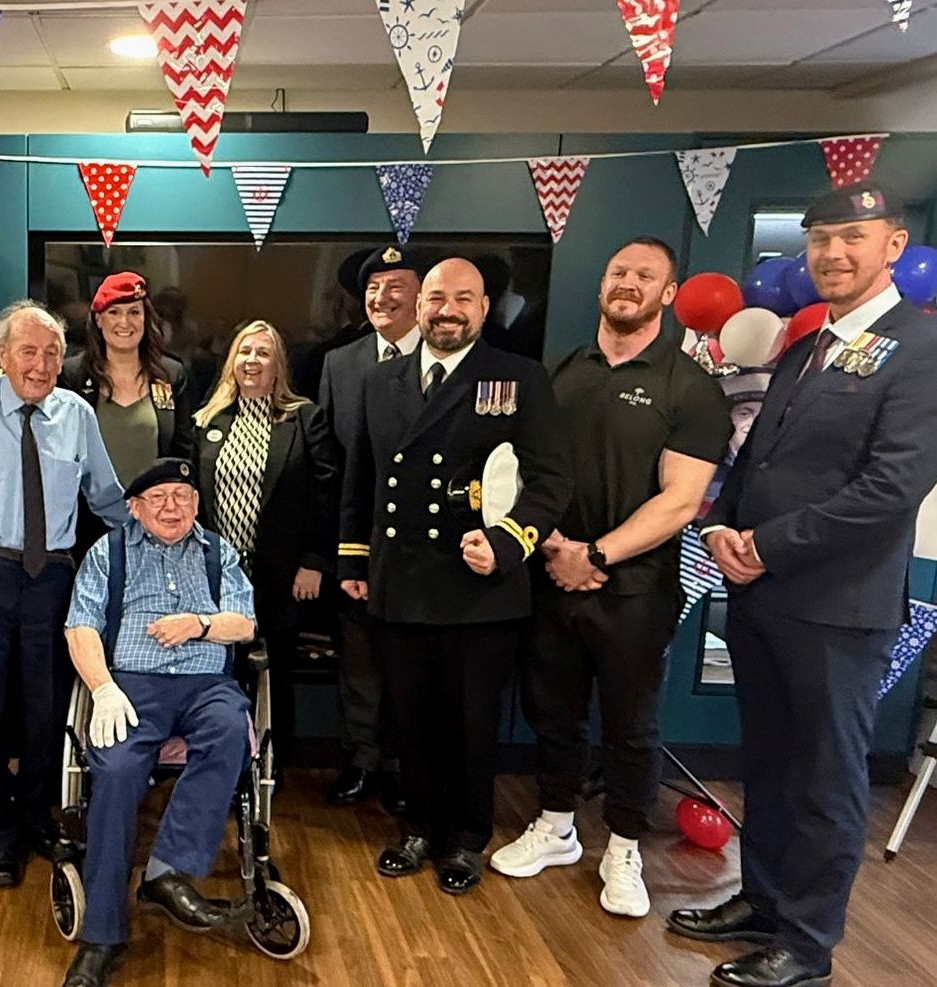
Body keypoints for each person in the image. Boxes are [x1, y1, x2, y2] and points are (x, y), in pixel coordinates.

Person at [668, 183, 937, 987]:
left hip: (836, 609)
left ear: (893, 246)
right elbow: (756, 457)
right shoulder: (805, 345)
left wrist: (768, 544)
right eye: (821, 238)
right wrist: (722, 524)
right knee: (772, 764)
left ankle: (809, 943)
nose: (833, 253)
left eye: (854, 236)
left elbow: (892, 486)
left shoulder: (920, 351)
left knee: (824, 778)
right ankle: (763, 899)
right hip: (762, 597)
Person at [487, 238, 730, 919]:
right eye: (618, 271)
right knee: (554, 712)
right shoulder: (559, 372)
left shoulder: (690, 387)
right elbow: (524, 468)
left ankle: (624, 845)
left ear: (668, 293)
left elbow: (680, 499)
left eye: (644, 275)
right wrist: (556, 545)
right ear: (602, 283)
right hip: (552, 571)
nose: (627, 283)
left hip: (635, 588)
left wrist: (594, 554)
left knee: (630, 725)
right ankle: (556, 824)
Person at [337, 258, 571, 896]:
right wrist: (354, 559)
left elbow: (553, 479)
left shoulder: (517, 377)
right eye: (437, 297)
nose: (448, 310)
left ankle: (467, 836)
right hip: (400, 579)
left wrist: (507, 542)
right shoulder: (382, 380)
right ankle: (417, 823)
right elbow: (365, 475)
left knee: (470, 721)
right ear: (419, 307)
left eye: (463, 299)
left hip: (480, 586)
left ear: (485, 308)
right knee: (407, 715)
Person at [0, 300, 126, 887]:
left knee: (46, 709)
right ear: (3, 355)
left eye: (52, 353)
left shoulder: (77, 414)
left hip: (53, 579)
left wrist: (160, 534)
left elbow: (105, 498)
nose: (40, 365)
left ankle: (37, 818)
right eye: (28, 351)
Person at [59, 458, 257, 987]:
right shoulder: (110, 552)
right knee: (118, 773)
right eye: (158, 498)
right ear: (134, 508)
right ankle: (101, 937)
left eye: (183, 496)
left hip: (205, 684)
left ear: (196, 502)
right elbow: (80, 627)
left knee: (230, 729)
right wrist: (102, 689)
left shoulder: (219, 552)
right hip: (131, 686)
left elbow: (244, 624)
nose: (172, 507)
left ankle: (165, 871)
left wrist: (201, 624)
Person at [191, 319, 337, 756]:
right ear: (231, 361)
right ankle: (223, 760)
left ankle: (273, 764)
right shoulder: (206, 420)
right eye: (244, 352)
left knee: (275, 676)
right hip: (217, 579)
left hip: (282, 574)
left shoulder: (305, 418)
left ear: (279, 366)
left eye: (263, 353)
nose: (252, 361)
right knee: (218, 673)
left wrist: (314, 561)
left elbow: (325, 494)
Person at [317, 245, 426, 809]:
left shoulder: (446, 360)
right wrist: (345, 551)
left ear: (421, 292)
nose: (382, 299)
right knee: (358, 660)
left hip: (425, 550)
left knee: (412, 665)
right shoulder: (342, 363)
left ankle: (406, 766)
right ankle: (360, 759)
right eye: (372, 290)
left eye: (396, 286)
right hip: (360, 544)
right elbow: (335, 464)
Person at [60, 271, 196, 493]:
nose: (125, 322)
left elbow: (183, 451)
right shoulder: (72, 374)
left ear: (145, 318)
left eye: (134, 312)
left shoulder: (172, 375)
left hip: (156, 513)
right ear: (98, 319)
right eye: (113, 312)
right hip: (89, 517)